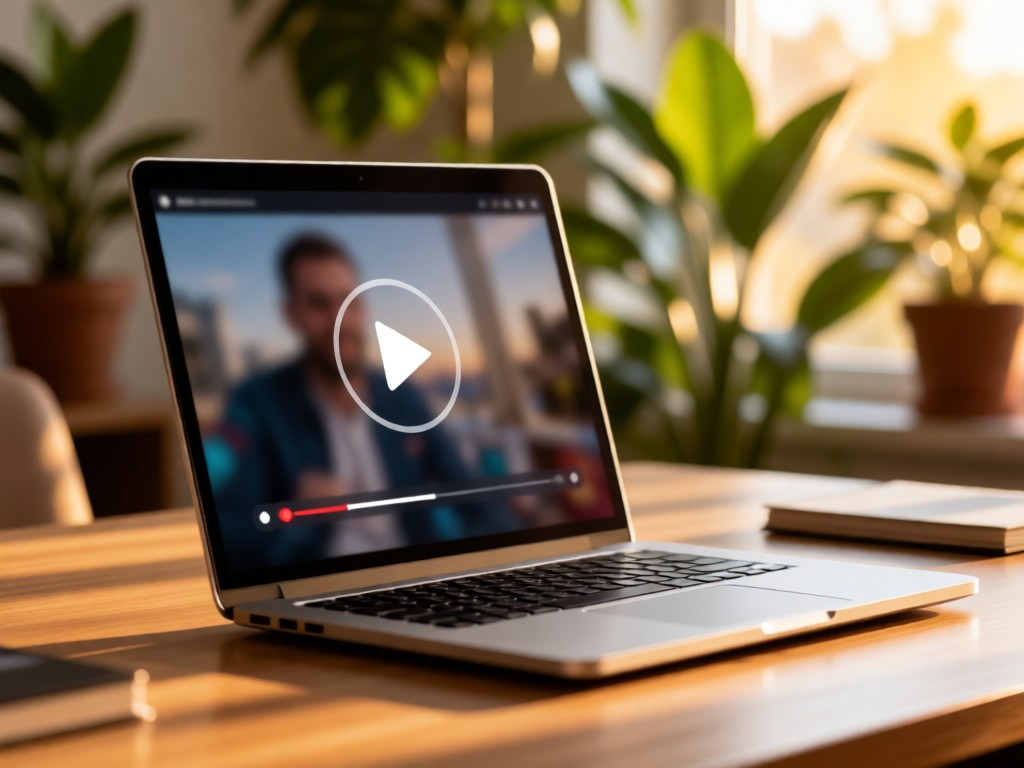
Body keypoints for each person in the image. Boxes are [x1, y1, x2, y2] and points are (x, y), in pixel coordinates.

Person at [204, 233, 514, 569]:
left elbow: (471, 492)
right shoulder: (258, 404)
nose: (340, 322)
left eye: (350, 302)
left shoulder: (402, 398)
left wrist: (514, 560)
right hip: (315, 584)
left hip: (418, 578)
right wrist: (290, 516)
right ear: (291, 314)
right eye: (320, 304)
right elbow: (225, 534)